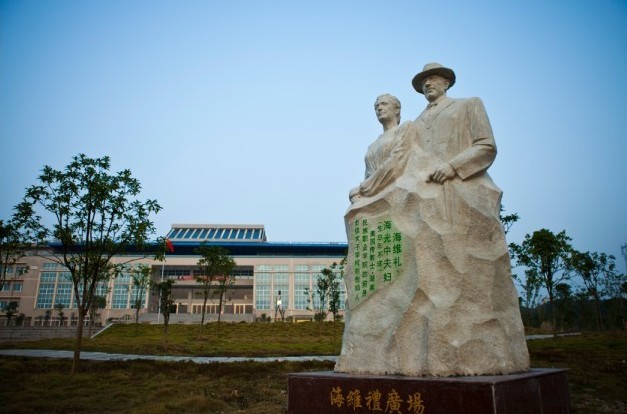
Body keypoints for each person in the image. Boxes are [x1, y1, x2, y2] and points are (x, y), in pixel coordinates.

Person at [335, 63, 529, 377]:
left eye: (434, 79)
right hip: (424, 199)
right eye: (424, 81)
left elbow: (486, 147)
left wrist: (454, 168)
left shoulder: (468, 105)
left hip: (461, 189)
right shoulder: (415, 124)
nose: (428, 84)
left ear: (447, 82)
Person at [349, 94, 411, 204]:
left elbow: (396, 162)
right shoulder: (372, 146)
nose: (379, 108)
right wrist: (358, 195)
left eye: (384, 104)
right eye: (376, 106)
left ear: (397, 109)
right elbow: (368, 175)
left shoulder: (405, 128)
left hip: (396, 190)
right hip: (373, 192)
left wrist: (362, 188)